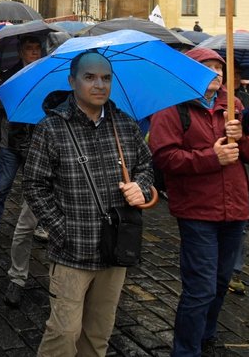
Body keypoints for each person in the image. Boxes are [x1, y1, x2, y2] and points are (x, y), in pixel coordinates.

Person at [24, 50, 155, 357]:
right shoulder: (51, 128)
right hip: (73, 251)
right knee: (64, 334)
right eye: (90, 77)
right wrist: (62, 229)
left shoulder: (124, 124)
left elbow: (146, 166)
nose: (99, 84)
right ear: (72, 81)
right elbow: (33, 185)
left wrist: (140, 186)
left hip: (116, 248)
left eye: (106, 78)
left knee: (98, 334)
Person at [149, 48, 249, 357]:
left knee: (221, 280)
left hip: (235, 208)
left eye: (219, 67)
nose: (215, 72)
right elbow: (165, 157)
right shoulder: (173, 107)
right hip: (197, 210)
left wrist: (241, 139)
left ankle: (205, 334)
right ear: (191, 71)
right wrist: (213, 157)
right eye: (207, 66)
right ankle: (186, 350)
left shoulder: (234, 106)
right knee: (200, 287)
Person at [0, 36, 45, 249]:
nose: (33, 52)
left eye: (36, 48)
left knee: (39, 188)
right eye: (29, 48)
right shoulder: (10, 75)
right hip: (12, 140)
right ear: (21, 51)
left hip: (37, 141)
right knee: (0, 188)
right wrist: (18, 91)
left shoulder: (45, 73)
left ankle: (42, 224)